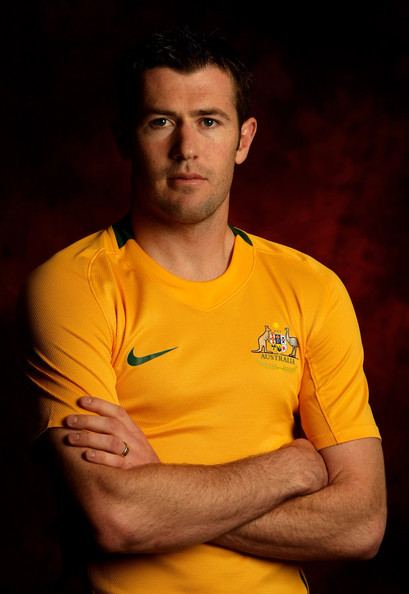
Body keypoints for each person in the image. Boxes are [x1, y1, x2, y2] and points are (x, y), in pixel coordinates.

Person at [18, 26, 387, 594]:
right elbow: (118, 517)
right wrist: (289, 469)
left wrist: (162, 492)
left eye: (210, 121)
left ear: (244, 138)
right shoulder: (72, 286)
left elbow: (361, 525)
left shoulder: (312, 288)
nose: (186, 147)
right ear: (124, 137)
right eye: (160, 121)